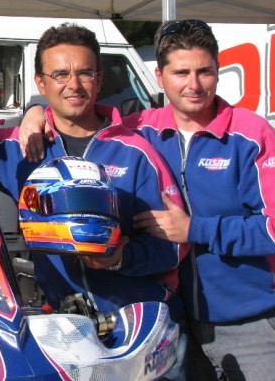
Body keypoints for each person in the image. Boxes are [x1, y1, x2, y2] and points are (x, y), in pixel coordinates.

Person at [19, 20, 275, 381]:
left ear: (218, 72)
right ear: (160, 76)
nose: (193, 84)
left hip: (248, 320)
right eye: (181, 72)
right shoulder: (139, 129)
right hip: (171, 322)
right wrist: (34, 115)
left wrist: (195, 229)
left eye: (204, 71)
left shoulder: (251, 134)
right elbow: (82, 117)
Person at [0, 23, 189, 380]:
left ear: (99, 80)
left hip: (141, 334)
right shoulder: (20, 147)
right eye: (60, 74)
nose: (73, 84)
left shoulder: (137, 153)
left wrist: (120, 258)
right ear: (41, 83)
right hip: (69, 335)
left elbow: (173, 248)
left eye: (84, 73)